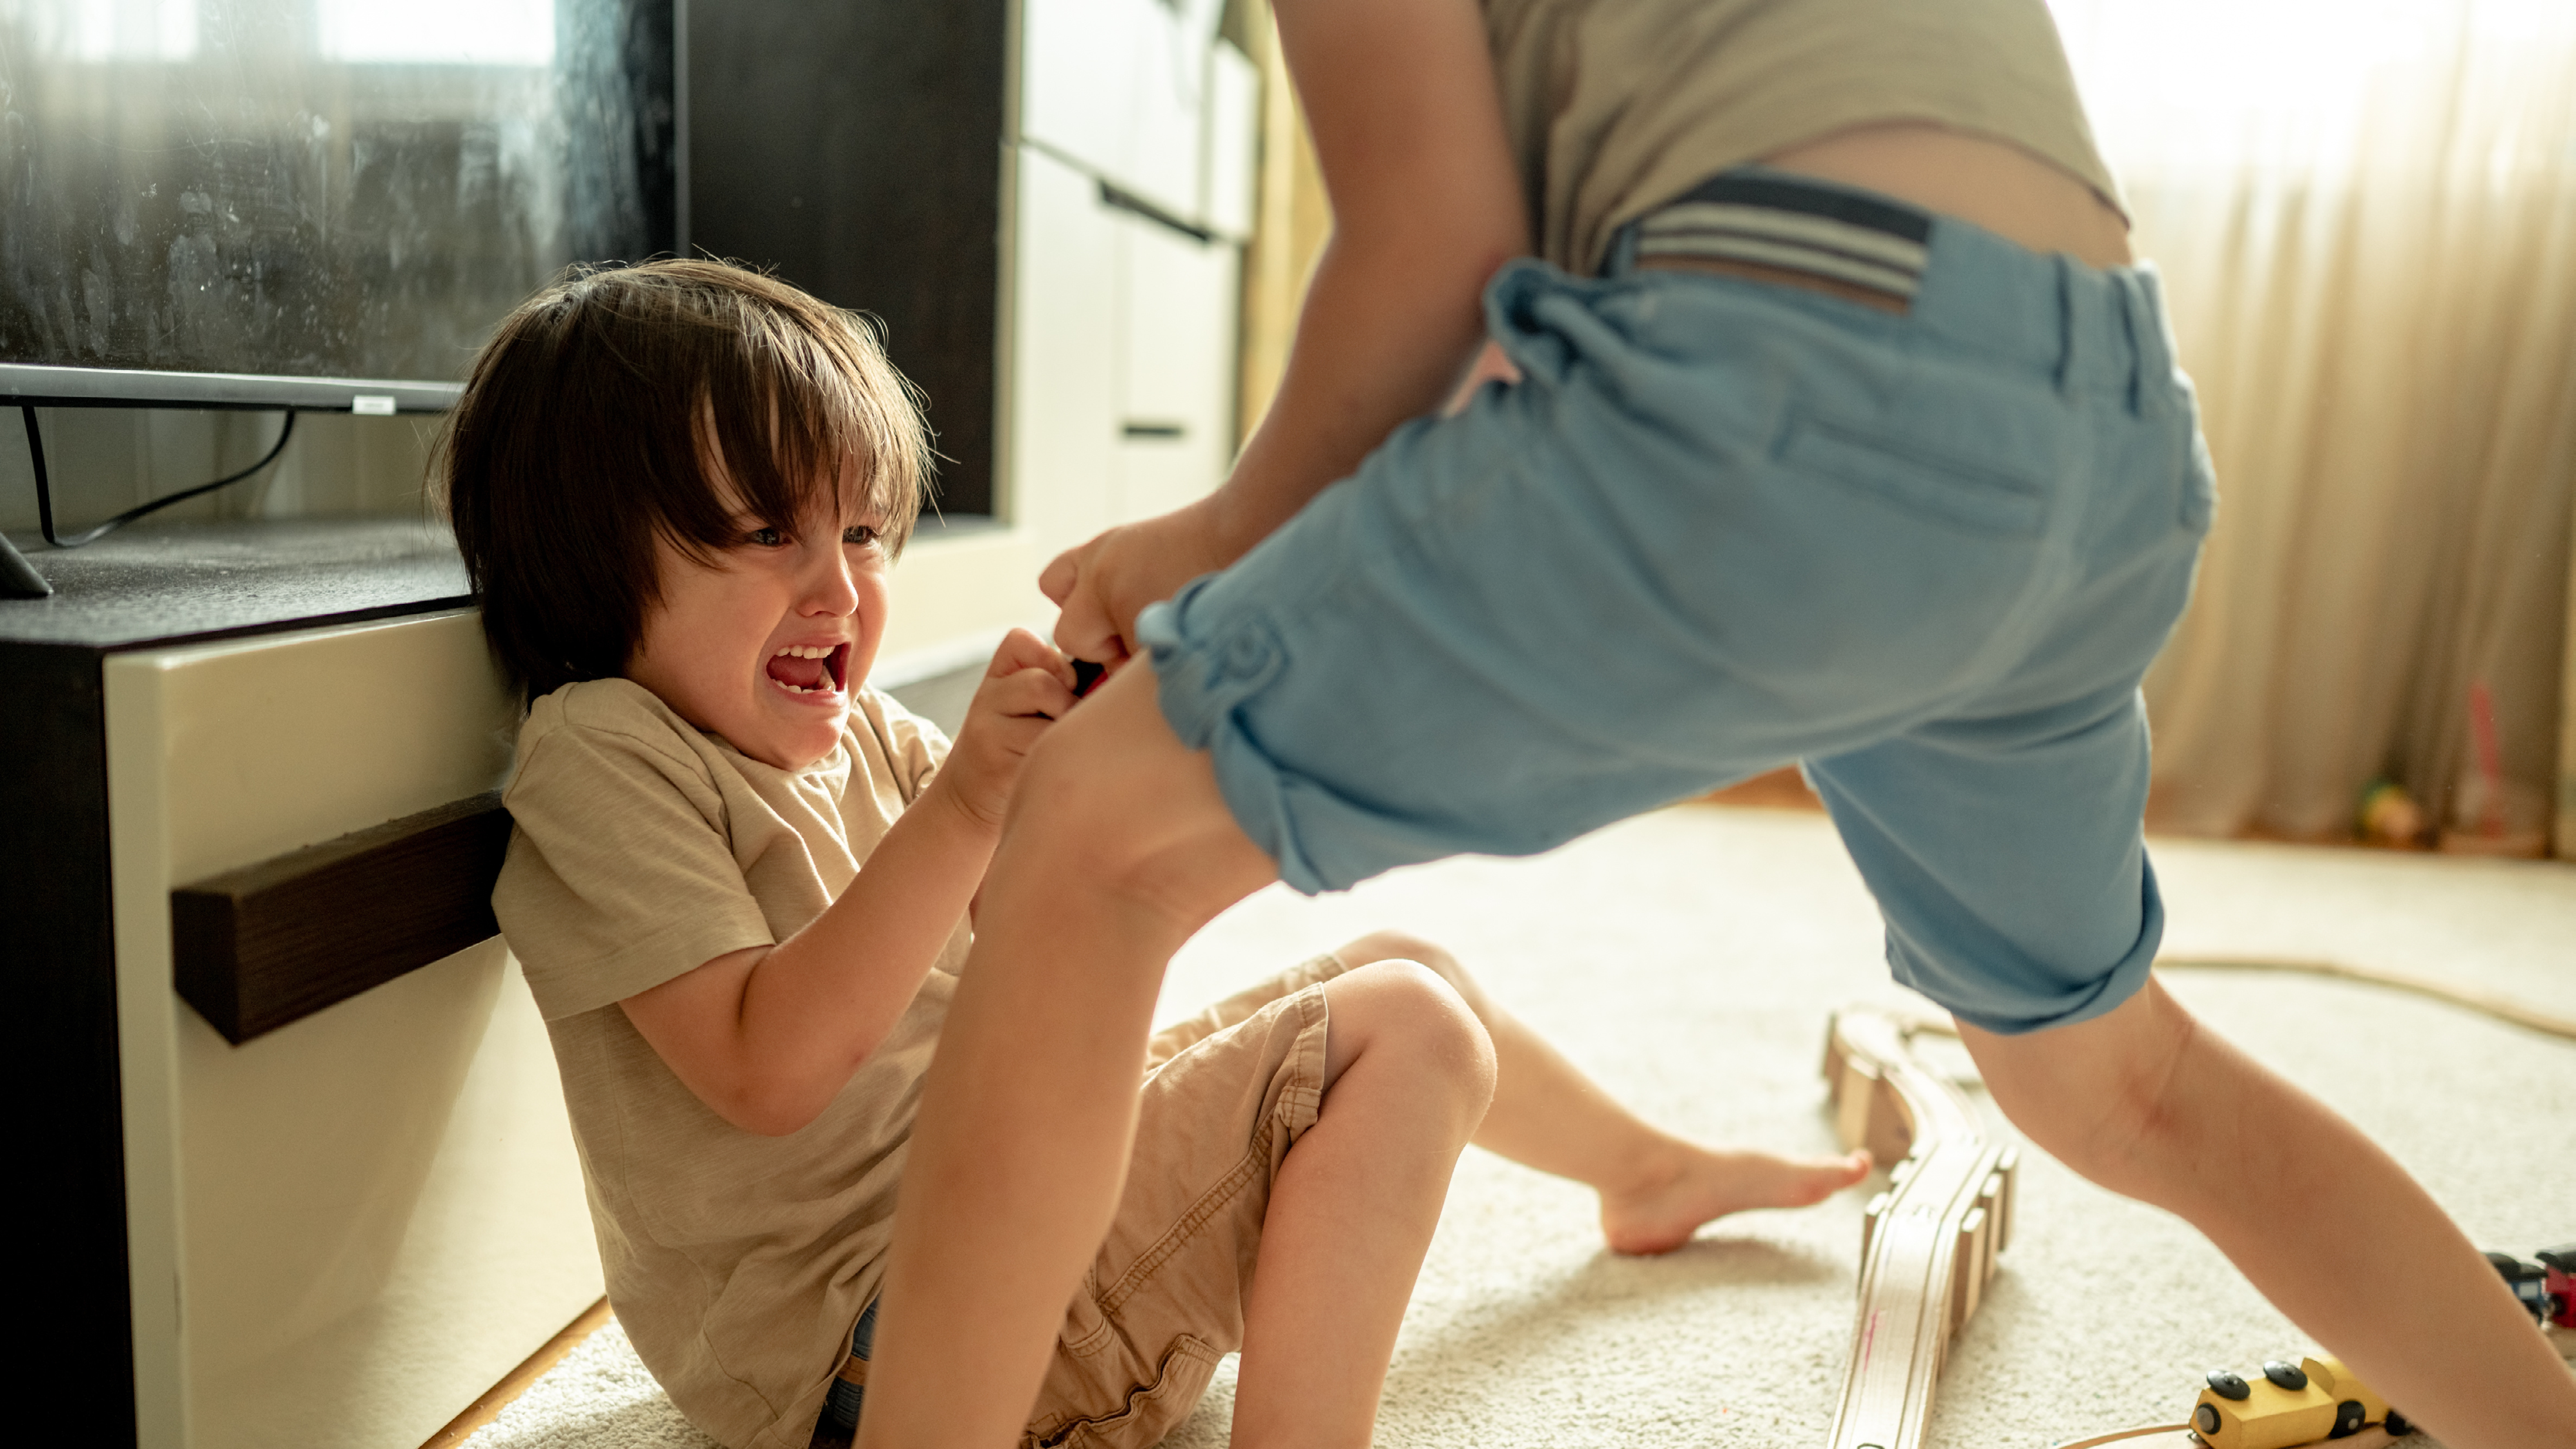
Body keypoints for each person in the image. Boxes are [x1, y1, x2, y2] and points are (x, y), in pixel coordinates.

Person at [848, 3, 2576, 1448]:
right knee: (2126, 1080)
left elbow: (1435, 249)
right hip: (2107, 427)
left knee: (1090, 833)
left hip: (1800, 370)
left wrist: (1219, 547)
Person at [436, 260, 1870, 1449]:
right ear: (588, 555)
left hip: (978, 1230)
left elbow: (1037, 937)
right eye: (766, 533)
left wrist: (1074, 762)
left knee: (1396, 968)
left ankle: (1644, 1168)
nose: (842, 589)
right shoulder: (602, 751)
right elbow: (765, 1068)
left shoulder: (861, 736)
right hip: (881, 1345)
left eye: (866, 534)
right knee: (1406, 1038)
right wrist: (967, 808)